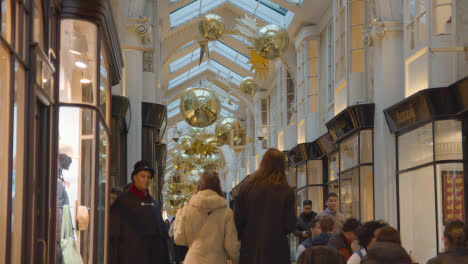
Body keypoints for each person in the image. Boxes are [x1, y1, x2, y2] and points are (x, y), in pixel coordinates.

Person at [234, 148, 296, 264]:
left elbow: (238, 222)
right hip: (276, 251)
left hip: (250, 251)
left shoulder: (246, 188)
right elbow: (290, 225)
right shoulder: (286, 191)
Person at [109, 160, 169, 264]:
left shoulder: (153, 203)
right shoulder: (122, 201)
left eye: (149, 177)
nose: (146, 180)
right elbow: (114, 236)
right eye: (143, 176)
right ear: (134, 178)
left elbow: (161, 235)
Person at [173, 172, 240, 264]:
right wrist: (236, 260)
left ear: (199, 186)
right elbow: (231, 246)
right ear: (218, 187)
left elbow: (179, 239)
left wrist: (178, 216)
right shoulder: (226, 213)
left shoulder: (187, 210)